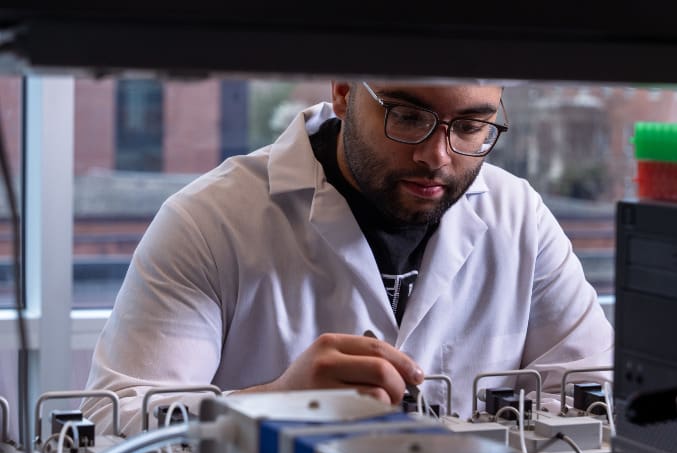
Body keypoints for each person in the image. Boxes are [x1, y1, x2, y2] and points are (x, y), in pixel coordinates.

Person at [80, 80, 614, 435]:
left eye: (471, 127)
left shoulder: (518, 215)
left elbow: (597, 389)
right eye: (407, 116)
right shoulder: (209, 219)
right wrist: (275, 404)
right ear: (342, 92)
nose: (437, 156)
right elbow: (114, 422)